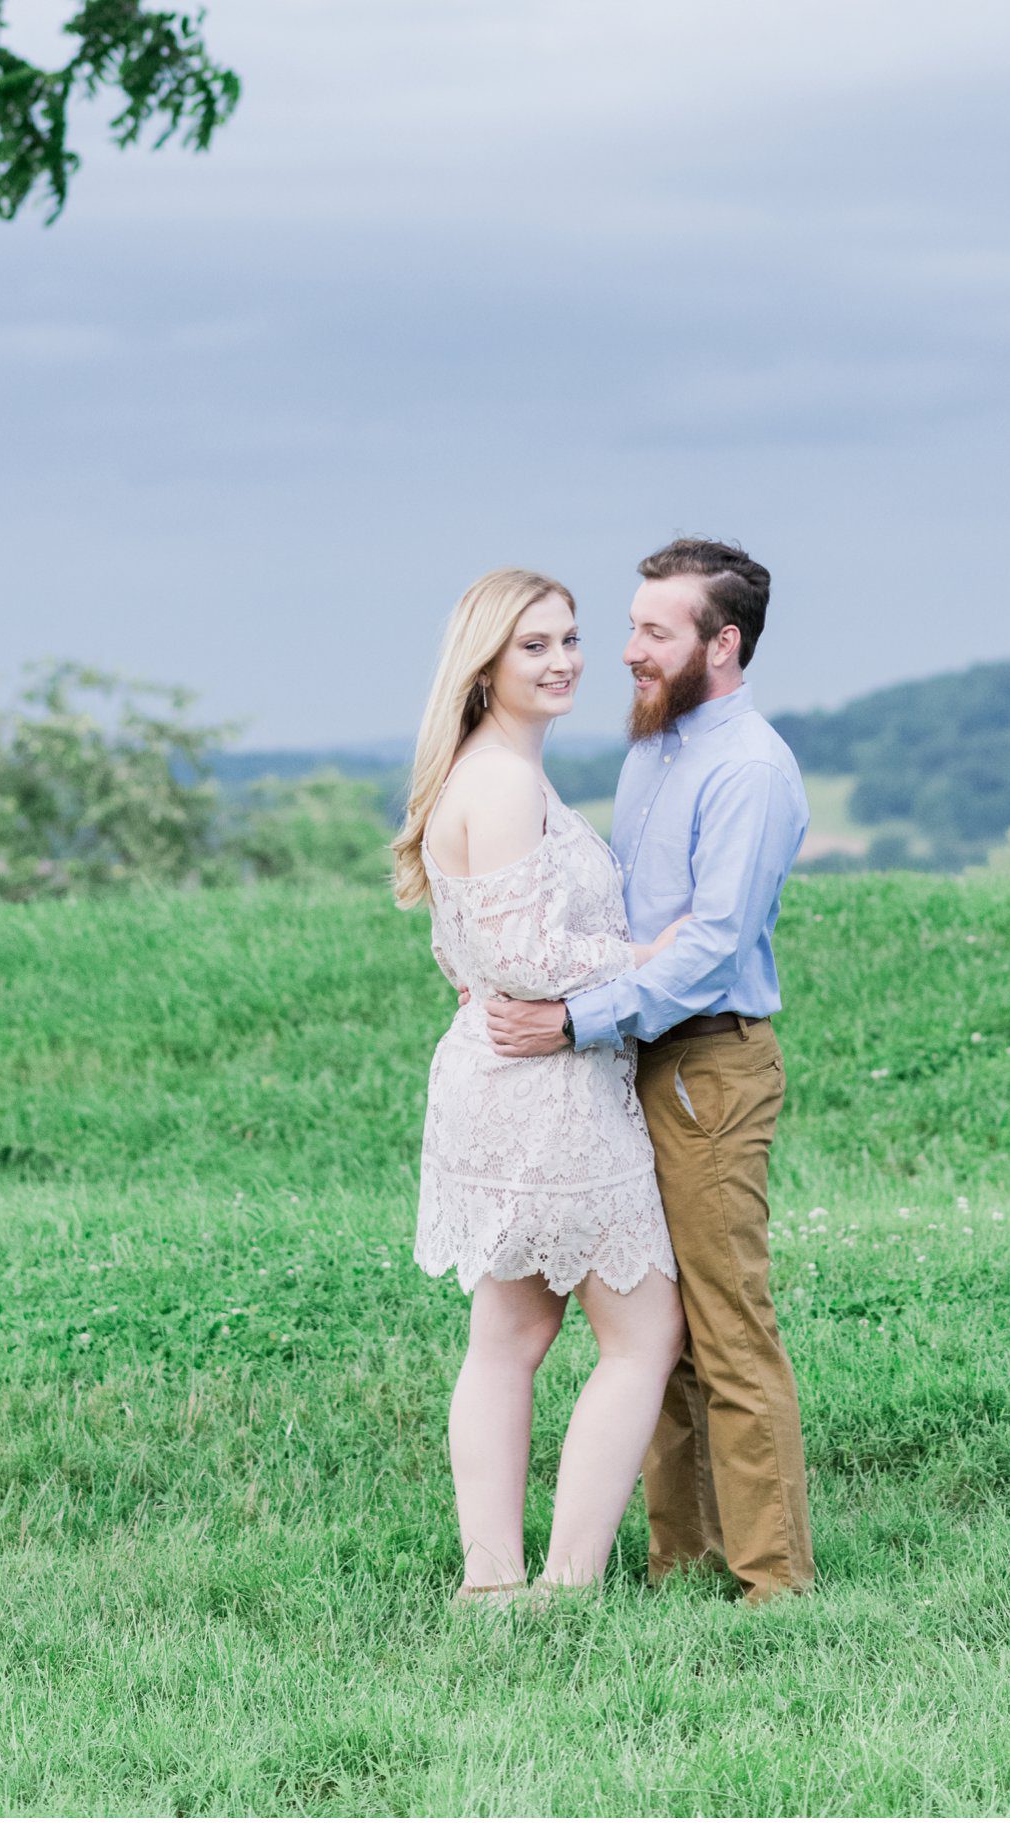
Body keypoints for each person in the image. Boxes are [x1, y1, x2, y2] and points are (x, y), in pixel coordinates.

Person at [486, 538, 814, 1604]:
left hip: (706, 1068)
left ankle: (773, 1589)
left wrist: (573, 1019)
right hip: (631, 1064)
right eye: (627, 627)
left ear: (720, 645)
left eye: (652, 632)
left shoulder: (749, 769)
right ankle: (682, 1565)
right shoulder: (651, 749)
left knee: (727, 1330)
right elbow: (623, 919)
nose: (624, 651)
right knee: (658, 1332)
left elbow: (708, 948)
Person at [397, 567, 688, 1609]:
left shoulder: (482, 771)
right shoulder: (506, 780)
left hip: (495, 1075)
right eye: (533, 646)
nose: (563, 660)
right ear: (483, 665)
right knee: (643, 1334)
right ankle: (561, 1585)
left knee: (509, 1336)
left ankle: (491, 1583)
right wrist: (644, 957)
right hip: (544, 1092)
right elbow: (521, 955)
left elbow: (470, 951)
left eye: (568, 638)